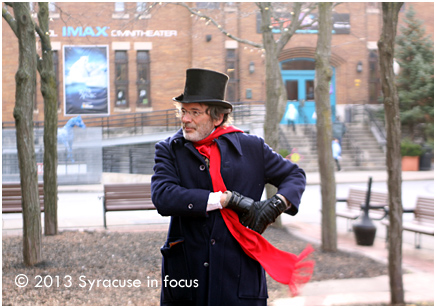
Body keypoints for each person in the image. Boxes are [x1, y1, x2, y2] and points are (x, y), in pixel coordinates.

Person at [151, 68, 310, 306]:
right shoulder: (169, 149)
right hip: (187, 276)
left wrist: (276, 205)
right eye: (184, 111)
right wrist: (224, 199)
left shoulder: (252, 147)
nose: (185, 119)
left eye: (195, 112)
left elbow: (294, 175)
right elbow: (163, 197)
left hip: (239, 277)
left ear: (218, 117)